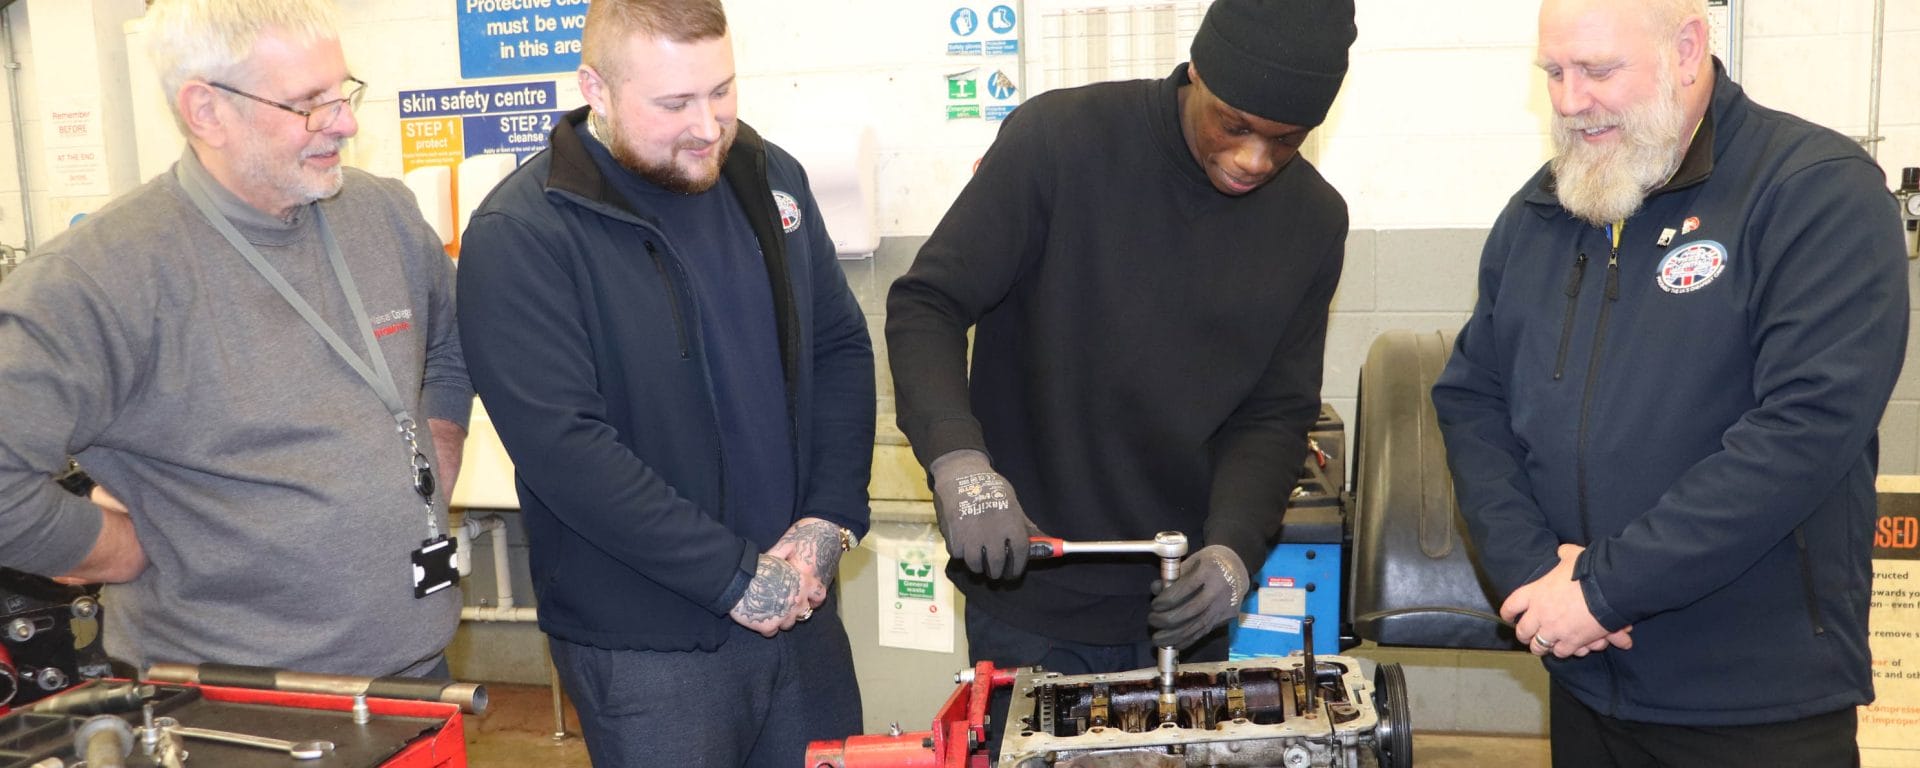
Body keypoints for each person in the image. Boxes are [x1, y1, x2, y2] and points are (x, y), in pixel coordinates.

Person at [1432, 0, 1908, 763]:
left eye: (1598, 70)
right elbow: (1471, 399)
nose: (1568, 100)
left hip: (1753, 705)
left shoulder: (1814, 191)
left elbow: (1804, 430)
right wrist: (1534, 576)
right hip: (1587, 681)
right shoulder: (1546, 209)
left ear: (1688, 49)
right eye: (1554, 72)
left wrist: (1602, 589)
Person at [454, 0, 874, 764]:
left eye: (722, 90)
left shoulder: (765, 174)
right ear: (597, 88)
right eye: (675, 103)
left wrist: (827, 518)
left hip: (802, 612)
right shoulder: (526, 233)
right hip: (651, 655)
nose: (708, 126)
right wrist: (735, 577)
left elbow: (839, 346)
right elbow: (566, 450)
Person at [887, 0, 1356, 682]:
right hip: (1029, 595)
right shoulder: (1058, 143)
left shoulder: (1312, 222)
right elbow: (926, 303)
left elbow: (1275, 413)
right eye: (1235, 125)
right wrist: (959, 463)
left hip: (1184, 608)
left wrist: (1232, 552)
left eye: (1287, 139)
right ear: (1197, 72)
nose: (1254, 159)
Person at [0, 0, 469, 678]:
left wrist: (437, 450)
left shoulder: (383, 214)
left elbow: (449, 344)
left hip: (418, 672)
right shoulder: (97, 278)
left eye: (342, 92)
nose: (346, 122)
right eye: (309, 103)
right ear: (205, 111)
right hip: (231, 700)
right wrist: (112, 551)